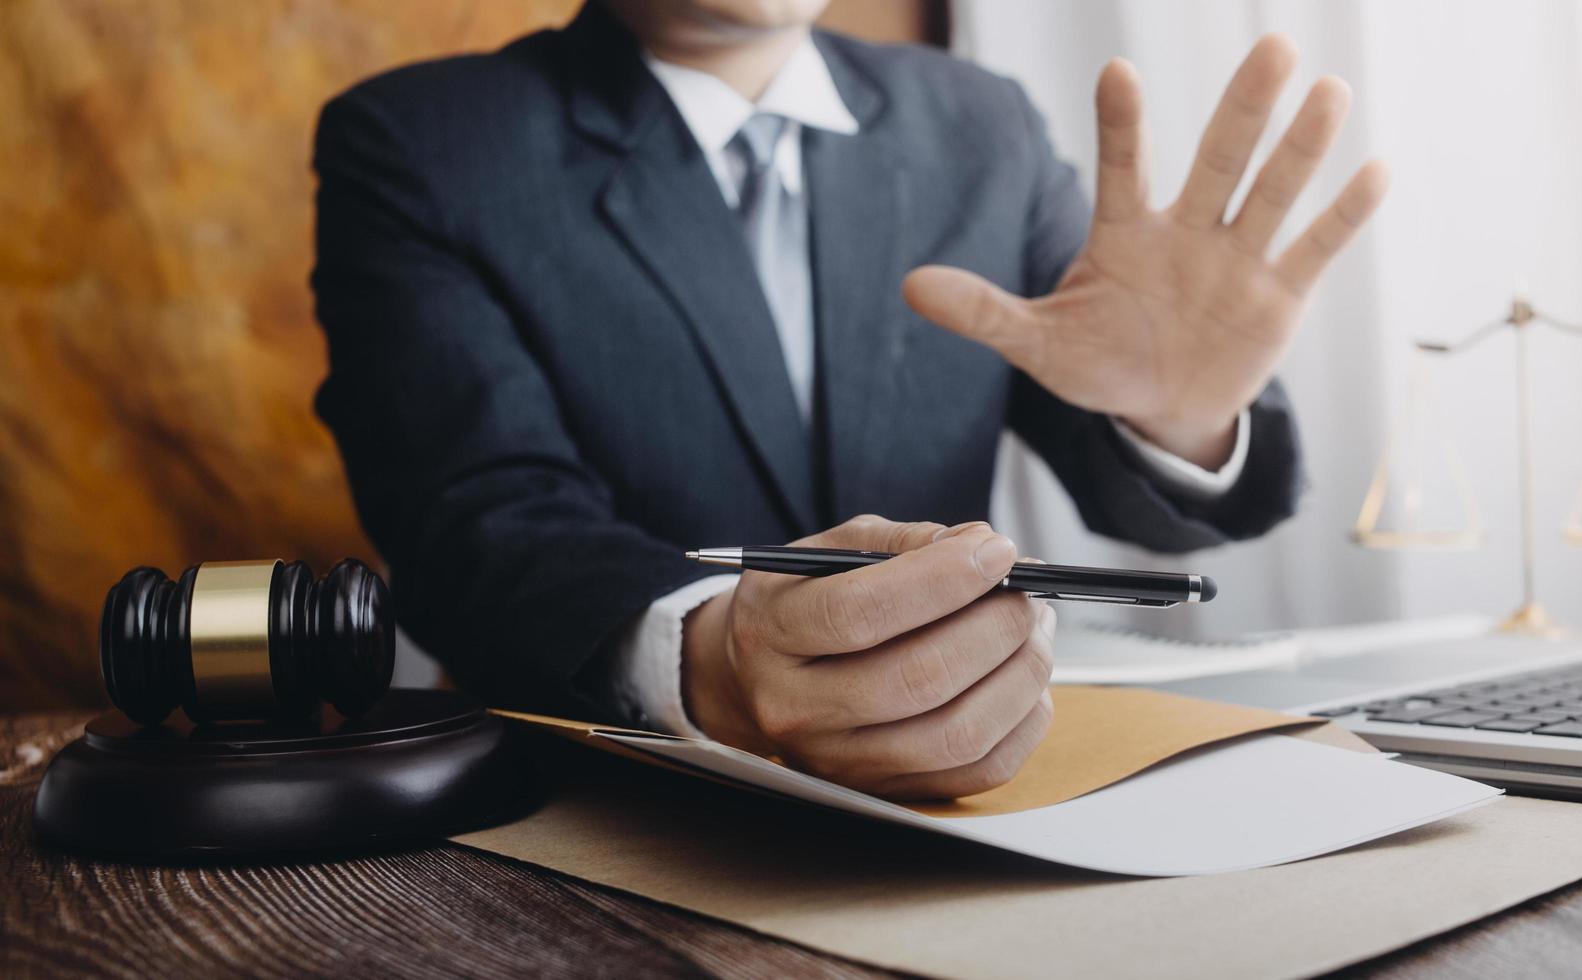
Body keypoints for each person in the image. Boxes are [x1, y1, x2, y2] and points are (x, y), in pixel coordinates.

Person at [310, 0, 1385, 799]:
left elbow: (1137, 480)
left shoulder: (982, 121)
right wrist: (717, 660)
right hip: (607, 816)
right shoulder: (421, 143)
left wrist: (1175, 419)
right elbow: (473, 524)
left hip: (975, 798)